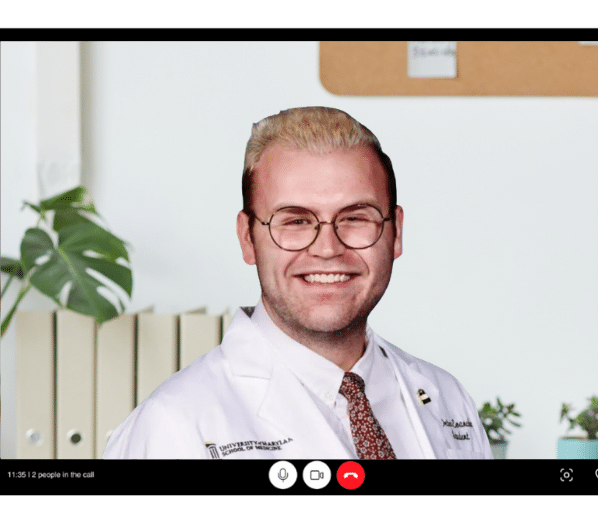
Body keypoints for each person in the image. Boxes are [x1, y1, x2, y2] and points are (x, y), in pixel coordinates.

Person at [104, 107, 492, 460]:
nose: (327, 248)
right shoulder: (173, 425)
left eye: (355, 217)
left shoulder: (447, 399)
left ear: (396, 233)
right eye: (295, 221)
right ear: (247, 238)